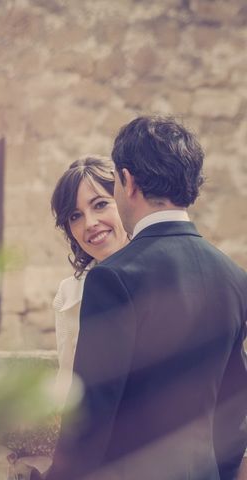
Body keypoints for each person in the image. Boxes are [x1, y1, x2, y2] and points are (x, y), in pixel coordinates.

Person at [46, 116, 247, 480]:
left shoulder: (113, 278)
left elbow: (91, 417)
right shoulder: (234, 278)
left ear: (129, 181)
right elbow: (234, 411)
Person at [50, 156, 130, 407]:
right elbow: (67, 383)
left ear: (126, 201)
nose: (90, 223)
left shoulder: (163, 276)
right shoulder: (69, 293)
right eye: (75, 216)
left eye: (100, 204)